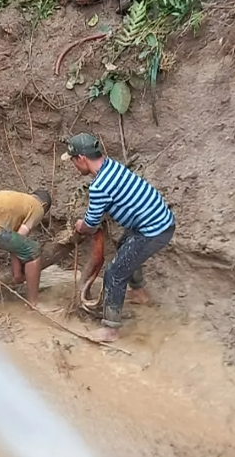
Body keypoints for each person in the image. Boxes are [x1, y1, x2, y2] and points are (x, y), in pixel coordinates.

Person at [62, 133, 176, 343]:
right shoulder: (112, 167)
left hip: (153, 230)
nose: (74, 166)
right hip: (160, 222)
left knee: (114, 273)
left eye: (72, 161)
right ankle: (140, 294)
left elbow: (90, 225)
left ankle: (110, 330)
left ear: (81, 158)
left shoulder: (99, 186)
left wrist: (80, 226)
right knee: (124, 246)